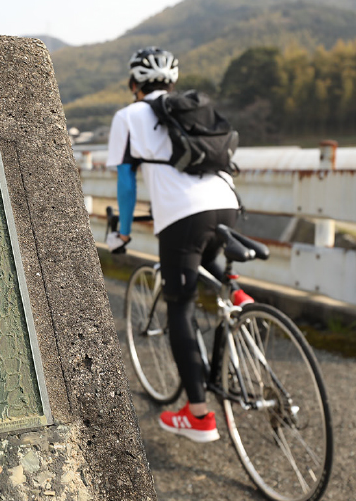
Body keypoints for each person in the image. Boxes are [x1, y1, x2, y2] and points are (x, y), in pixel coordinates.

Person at [105, 46, 254, 443]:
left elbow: (125, 181)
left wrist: (122, 231)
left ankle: (199, 415)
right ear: (172, 82)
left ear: (134, 84)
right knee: (205, 258)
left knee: (181, 308)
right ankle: (237, 294)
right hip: (227, 204)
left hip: (185, 218)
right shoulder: (192, 110)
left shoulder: (129, 116)